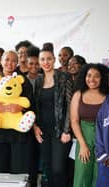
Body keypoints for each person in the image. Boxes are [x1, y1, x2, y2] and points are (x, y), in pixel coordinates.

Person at [0, 51, 35, 181]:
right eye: (7, 60)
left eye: (13, 60)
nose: (9, 63)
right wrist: (3, 108)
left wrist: (20, 107)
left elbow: (31, 103)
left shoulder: (23, 82)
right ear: (1, 61)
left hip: (19, 135)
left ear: (17, 63)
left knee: (18, 174)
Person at [33, 43, 73, 187]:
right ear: (39, 62)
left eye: (49, 59)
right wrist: (35, 127)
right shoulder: (38, 80)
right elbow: (35, 107)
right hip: (43, 131)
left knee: (58, 168)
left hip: (60, 131)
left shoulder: (64, 77)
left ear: (54, 59)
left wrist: (67, 130)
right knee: (47, 168)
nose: (46, 62)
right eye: (42, 59)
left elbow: (70, 105)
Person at [70, 63, 109, 187]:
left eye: (96, 76)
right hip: (84, 138)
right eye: (89, 75)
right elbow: (74, 121)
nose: (92, 79)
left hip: (103, 140)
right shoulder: (78, 94)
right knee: (82, 175)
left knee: (100, 175)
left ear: (102, 78)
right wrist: (82, 145)